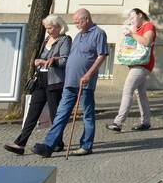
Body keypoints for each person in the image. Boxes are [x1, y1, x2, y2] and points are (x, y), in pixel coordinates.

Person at [32, 9, 109, 157]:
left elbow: (101, 56)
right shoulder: (79, 35)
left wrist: (88, 74)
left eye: (78, 22)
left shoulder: (98, 33)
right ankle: (49, 145)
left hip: (84, 82)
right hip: (70, 81)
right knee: (61, 114)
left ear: (86, 19)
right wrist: (55, 59)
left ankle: (86, 145)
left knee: (87, 114)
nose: (76, 26)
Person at [4, 14, 70, 155]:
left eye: (50, 28)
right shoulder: (46, 39)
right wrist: (37, 61)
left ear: (59, 26)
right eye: (46, 28)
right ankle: (20, 143)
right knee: (32, 112)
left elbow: (65, 60)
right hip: (40, 79)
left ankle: (57, 143)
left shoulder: (65, 40)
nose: (48, 31)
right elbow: (41, 57)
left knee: (55, 114)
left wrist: (52, 60)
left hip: (54, 81)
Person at [108, 8, 156, 132]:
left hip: (143, 64)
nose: (131, 19)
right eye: (129, 18)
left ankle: (118, 122)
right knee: (140, 93)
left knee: (127, 90)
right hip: (136, 63)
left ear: (140, 15)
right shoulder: (137, 28)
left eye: (132, 17)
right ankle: (146, 122)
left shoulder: (148, 26)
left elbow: (147, 42)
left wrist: (131, 33)